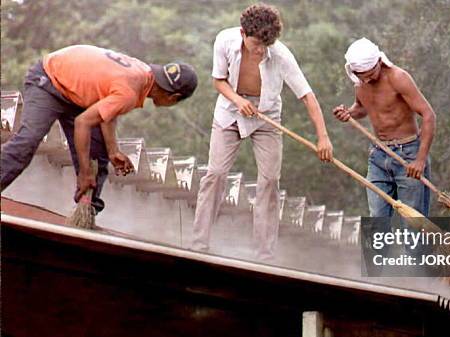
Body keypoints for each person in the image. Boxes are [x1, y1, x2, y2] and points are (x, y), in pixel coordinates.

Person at [193, 3, 333, 259]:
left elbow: (307, 96)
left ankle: (264, 254)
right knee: (215, 174)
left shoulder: (280, 55)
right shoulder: (224, 40)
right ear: (243, 33)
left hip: (266, 116)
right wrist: (237, 100)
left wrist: (323, 137)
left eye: (264, 46)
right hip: (230, 111)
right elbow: (217, 80)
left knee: (269, 181)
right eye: (255, 44)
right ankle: (199, 243)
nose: (259, 51)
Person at [0, 45, 198, 213]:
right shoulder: (131, 91)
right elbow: (82, 123)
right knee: (28, 141)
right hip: (49, 80)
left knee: (98, 155)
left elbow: (107, 111)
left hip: (76, 94)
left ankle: (85, 214)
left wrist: (113, 150)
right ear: (173, 98)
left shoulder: (143, 74)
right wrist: (84, 172)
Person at [333, 38, 436, 217]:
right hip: (378, 155)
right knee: (377, 217)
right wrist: (348, 113)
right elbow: (362, 107)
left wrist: (420, 160)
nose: (367, 79)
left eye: (370, 73)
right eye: (361, 75)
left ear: (379, 62)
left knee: (413, 223)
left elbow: (429, 115)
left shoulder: (398, 78)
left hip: (408, 154)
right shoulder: (360, 83)